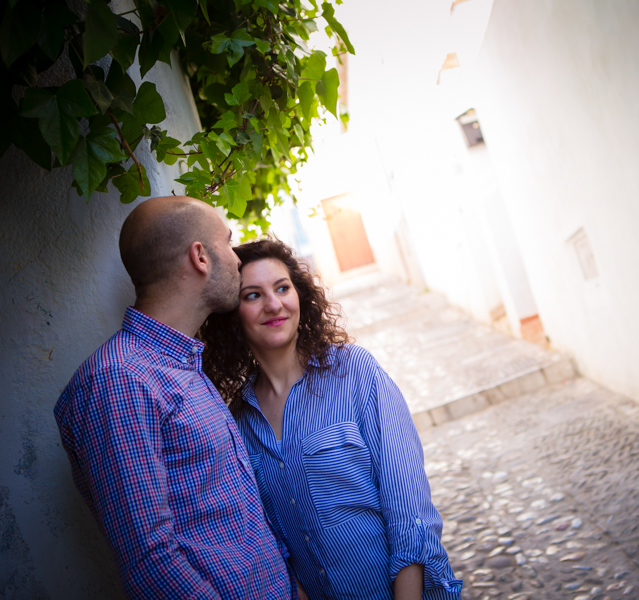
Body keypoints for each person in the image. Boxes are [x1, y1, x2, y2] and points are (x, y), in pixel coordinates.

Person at [54, 197, 294, 599]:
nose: (236, 259)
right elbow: (151, 560)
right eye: (227, 242)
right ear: (200, 257)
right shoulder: (121, 380)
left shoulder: (180, 364)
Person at [200, 238, 463, 600]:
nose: (274, 304)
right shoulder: (238, 422)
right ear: (233, 314)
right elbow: (271, 549)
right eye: (252, 295)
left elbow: (409, 512)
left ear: (299, 296)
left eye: (282, 288)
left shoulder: (354, 372)